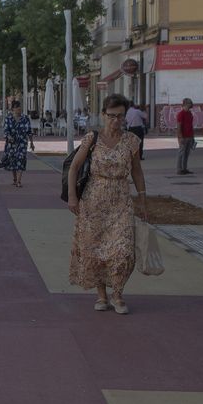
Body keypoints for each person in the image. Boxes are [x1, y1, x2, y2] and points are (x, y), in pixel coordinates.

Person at [67, 94, 150, 314]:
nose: (116, 120)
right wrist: (73, 196)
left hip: (121, 199)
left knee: (123, 250)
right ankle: (102, 295)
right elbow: (74, 167)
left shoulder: (131, 141)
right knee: (95, 250)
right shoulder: (92, 139)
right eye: (111, 116)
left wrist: (142, 199)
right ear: (103, 115)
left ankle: (119, 294)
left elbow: (137, 172)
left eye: (120, 116)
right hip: (93, 201)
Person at [0, 100, 32, 187]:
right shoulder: (8, 118)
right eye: (17, 108)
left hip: (22, 143)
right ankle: (15, 179)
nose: (19, 109)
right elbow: (5, 131)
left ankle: (18, 181)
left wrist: (32, 143)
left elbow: (29, 131)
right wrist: (9, 137)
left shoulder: (25, 118)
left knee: (21, 159)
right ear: (13, 109)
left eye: (20, 108)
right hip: (11, 143)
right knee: (13, 160)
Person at [176, 97, 197, 175]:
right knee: (181, 152)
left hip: (190, 135)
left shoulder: (190, 113)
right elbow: (179, 126)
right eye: (189, 104)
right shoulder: (181, 114)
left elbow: (191, 125)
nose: (191, 105)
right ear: (185, 104)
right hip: (183, 136)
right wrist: (180, 136)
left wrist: (193, 136)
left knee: (187, 153)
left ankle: (184, 168)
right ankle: (179, 169)